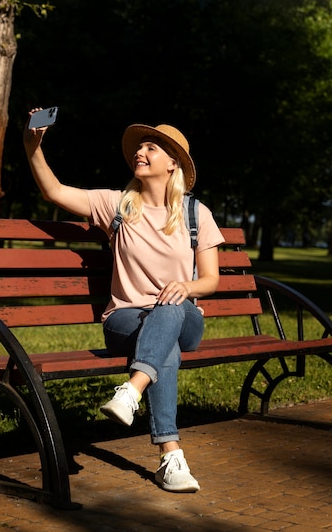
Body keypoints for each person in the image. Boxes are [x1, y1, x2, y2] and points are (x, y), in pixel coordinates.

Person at [24, 114, 225, 493]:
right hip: (125, 320)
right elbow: (54, 191)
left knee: (169, 306)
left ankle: (131, 390)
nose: (140, 151)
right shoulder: (115, 205)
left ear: (173, 164)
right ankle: (171, 456)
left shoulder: (196, 213)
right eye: (140, 146)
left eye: (152, 147)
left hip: (185, 318)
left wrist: (186, 284)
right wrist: (32, 148)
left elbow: (211, 281)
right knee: (163, 348)